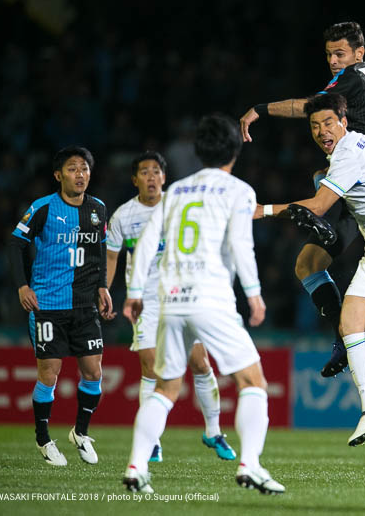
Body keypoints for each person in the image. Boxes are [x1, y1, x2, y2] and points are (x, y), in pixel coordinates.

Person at [240, 21, 365, 378]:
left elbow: (309, 107)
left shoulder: (352, 78)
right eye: (329, 55)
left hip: (359, 185)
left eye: (340, 54)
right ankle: (342, 337)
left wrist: (260, 109)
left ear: (359, 53)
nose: (333, 61)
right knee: (308, 263)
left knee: (319, 201)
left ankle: (344, 334)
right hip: (364, 187)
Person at [121, 114, 283, 495]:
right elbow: (242, 244)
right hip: (211, 298)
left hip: (171, 299)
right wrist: (254, 294)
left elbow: (147, 242)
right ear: (235, 150)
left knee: (165, 388)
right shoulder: (239, 190)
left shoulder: (176, 190)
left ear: (198, 151)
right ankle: (250, 464)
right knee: (253, 382)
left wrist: (133, 292)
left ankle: (136, 466)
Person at [256, 93, 365, 445]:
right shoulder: (343, 153)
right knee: (350, 327)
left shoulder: (349, 152)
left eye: (328, 123)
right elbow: (330, 182)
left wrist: (263, 210)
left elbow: (320, 205)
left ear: (344, 123)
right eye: (314, 126)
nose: (322, 131)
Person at [106, 150, 235, 463]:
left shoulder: (179, 205)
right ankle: (151, 442)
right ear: (134, 179)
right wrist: (105, 292)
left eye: (156, 171)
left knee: (200, 363)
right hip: (146, 301)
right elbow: (111, 257)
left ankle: (214, 431)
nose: (151, 177)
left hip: (182, 295)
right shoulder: (123, 216)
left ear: (164, 177)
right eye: (145, 172)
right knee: (151, 368)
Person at [9, 146, 115, 466]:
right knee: (49, 373)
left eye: (84, 168)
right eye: (72, 168)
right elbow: (15, 244)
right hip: (48, 305)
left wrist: (102, 287)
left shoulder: (98, 209)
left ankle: (80, 433)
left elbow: (99, 252)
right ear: (58, 175)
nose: (79, 174)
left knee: (94, 372)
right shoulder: (42, 208)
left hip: (84, 305)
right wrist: (23, 286)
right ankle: (43, 439)